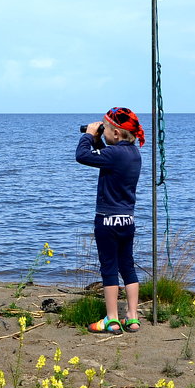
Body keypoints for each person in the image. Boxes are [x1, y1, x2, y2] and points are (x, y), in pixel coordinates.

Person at [75, 107, 145, 334]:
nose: (101, 131)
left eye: (105, 129)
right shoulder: (133, 154)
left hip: (106, 220)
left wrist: (88, 135)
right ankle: (132, 317)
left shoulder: (113, 155)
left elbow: (82, 156)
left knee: (109, 268)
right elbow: (106, 158)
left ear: (116, 134)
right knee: (128, 265)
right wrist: (98, 140)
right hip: (127, 219)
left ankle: (112, 319)